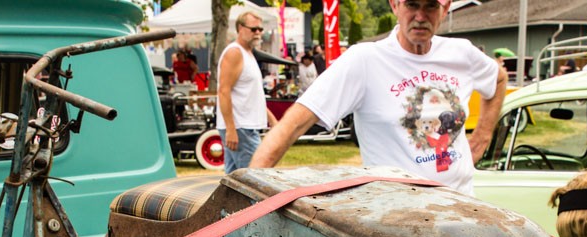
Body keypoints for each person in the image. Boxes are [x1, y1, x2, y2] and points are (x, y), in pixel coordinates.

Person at [250, 0, 506, 196]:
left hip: (461, 205)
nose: (420, 16)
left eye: (430, 5)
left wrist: (481, 140)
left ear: (445, 7)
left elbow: (498, 78)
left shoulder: (460, 53)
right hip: (396, 217)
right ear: (395, 4)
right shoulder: (364, 60)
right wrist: (249, 194)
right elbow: (293, 124)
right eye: (411, 4)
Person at [216, 11, 278, 172]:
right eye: (253, 29)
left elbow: (252, 96)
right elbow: (224, 91)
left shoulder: (248, 54)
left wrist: (272, 120)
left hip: (244, 127)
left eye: (260, 29)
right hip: (241, 128)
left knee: (233, 181)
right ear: (240, 28)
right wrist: (230, 129)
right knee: (257, 179)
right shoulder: (234, 53)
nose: (257, 32)